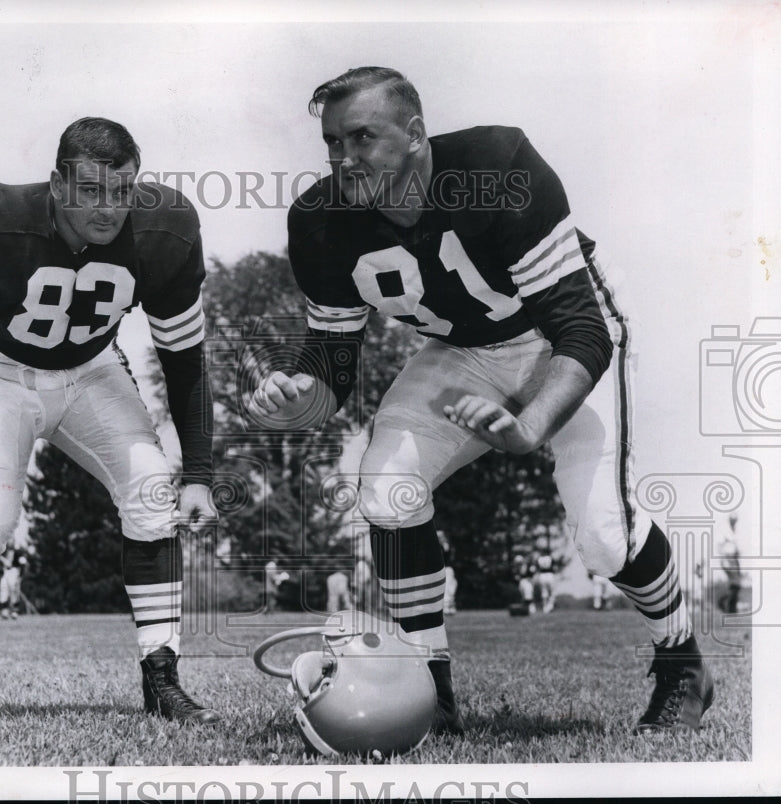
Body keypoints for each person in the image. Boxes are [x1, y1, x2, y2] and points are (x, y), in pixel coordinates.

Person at [249, 67, 712, 735]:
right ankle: (430, 693)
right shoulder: (321, 222)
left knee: (604, 534)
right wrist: (297, 400)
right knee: (386, 490)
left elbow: (581, 329)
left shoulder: (498, 168)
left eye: (362, 138)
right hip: (465, 351)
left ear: (413, 135)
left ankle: (683, 661)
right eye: (331, 143)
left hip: (561, 336)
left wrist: (526, 428)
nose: (343, 160)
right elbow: (332, 367)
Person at [0, 117, 219, 725]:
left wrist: (198, 472)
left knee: (153, 496)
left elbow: (186, 359)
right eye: (91, 190)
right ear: (56, 183)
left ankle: (161, 676)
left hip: (92, 369)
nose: (109, 208)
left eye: (122, 190)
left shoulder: (165, 231)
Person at [716, 513, 744, 614]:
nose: (734, 522)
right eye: (733, 520)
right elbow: (720, 547)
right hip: (728, 559)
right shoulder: (725, 531)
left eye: (735, 520)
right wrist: (724, 559)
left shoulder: (735, 531)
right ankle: (727, 606)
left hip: (735, 560)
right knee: (735, 584)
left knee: (736, 585)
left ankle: (730, 607)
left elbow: (738, 546)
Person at [0, 545, 28, 620]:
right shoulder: (4, 550)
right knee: (3, 590)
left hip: (14, 571)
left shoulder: (18, 552)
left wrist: (20, 576)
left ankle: (14, 612)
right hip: (6, 572)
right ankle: (5, 611)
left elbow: (23, 564)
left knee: (14, 591)